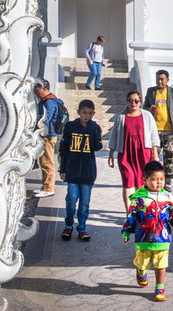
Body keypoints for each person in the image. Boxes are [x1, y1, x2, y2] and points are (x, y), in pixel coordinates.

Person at [121, 160, 173, 303]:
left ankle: (159, 288)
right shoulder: (139, 199)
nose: (159, 183)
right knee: (142, 262)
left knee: (161, 264)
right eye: (154, 180)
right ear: (145, 180)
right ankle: (140, 271)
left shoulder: (167, 197)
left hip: (163, 238)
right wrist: (126, 232)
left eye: (161, 179)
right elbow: (131, 216)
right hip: (143, 238)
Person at [59, 99, 103, 241]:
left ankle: (82, 227)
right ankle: (69, 225)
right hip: (72, 170)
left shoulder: (94, 128)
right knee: (71, 199)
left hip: (87, 172)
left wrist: (94, 131)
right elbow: (63, 148)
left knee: (84, 203)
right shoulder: (70, 127)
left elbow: (97, 146)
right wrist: (63, 168)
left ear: (93, 114)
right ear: (78, 112)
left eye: (90, 113)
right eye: (84, 113)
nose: (87, 116)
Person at [108, 90, 159, 209]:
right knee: (128, 182)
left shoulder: (147, 115)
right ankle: (129, 213)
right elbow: (114, 135)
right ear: (126, 102)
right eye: (130, 100)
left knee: (143, 183)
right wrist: (111, 155)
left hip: (143, 153)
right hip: (125, 154)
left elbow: (153, 135)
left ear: (140, 102)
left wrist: (155, 155)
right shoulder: (120, 117)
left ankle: (142, 211)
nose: (133, 103)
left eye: (136, 101)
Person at [143, 70, 173, 188]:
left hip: (169, 131)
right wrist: (149, 108)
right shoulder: (151, 92)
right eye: (158, 79)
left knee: (170, 157)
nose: (160, 81)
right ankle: (151, 180)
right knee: (152, 157)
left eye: (162, 79)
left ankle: (167, 182)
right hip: (154, 131)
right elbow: (144, 107)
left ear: (167, 80)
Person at [33, 79, 60, 198]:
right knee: (44, 162)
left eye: (38, 91)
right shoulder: (48, 100)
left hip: (48, 136)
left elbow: (45, 119)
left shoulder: (49, 102)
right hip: (47, 135)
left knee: (47, 162)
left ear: (45, 89)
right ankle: (45, 186)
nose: (37, 94)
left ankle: (49, 188)